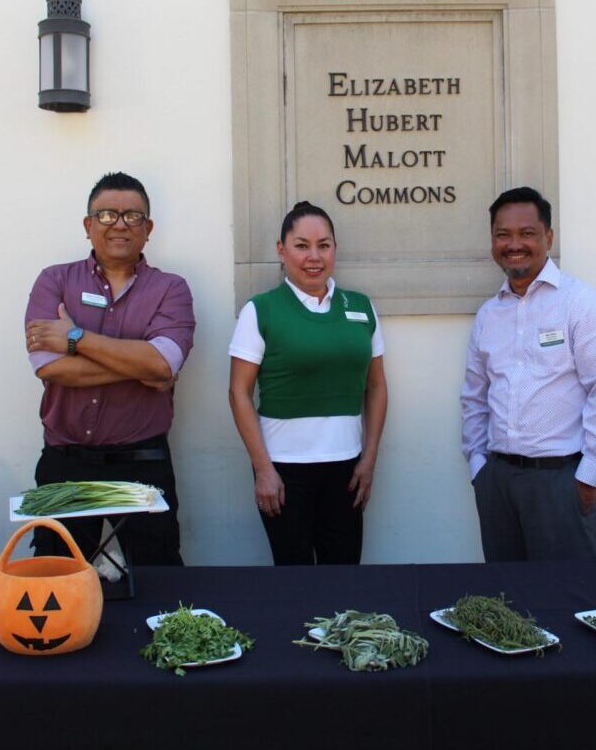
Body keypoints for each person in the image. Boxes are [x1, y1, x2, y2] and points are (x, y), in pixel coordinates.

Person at [25, 172, 194, 565]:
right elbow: (49, 367)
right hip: (65, 463)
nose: (119, 224)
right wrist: (145, 367)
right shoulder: (55, 281)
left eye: (133, 216)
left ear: (148, 229)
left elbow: (163, 361)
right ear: (88, 226)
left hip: (142, 463)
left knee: (158, 577)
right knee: (58, 574)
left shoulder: (171, 289)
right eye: (106, 215)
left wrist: (75, 338)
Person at [461, 187, 596, 561]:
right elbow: (475, 395)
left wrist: (589, 477)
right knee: (506, 606)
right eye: (503, 234)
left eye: (527, 233)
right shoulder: (490, 314)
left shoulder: (580, 304)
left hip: (561, 483)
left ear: (548, 237)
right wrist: (479, 468)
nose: (514, 244)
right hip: (499, 482)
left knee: (565, 600)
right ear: (492, 240)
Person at [228, 201, 388, 564]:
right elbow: (238, 393)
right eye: (301, 245)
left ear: (334, 249)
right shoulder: (261, 310)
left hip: (347, 468)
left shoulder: (361, 307)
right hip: (284, 471)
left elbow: (376, 387)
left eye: (324, 245)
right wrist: (263, 469)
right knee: (294, 579)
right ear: (281, 250)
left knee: (343, 576)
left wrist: (370, 458)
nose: (313, 256)